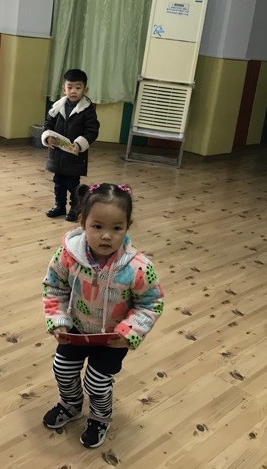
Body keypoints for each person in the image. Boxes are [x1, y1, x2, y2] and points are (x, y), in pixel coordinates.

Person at [41, 183, 164, 448]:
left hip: (112, 338)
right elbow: (54, 287)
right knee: (62, 369)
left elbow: (151, 303)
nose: (106, 236)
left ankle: (100, 417)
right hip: (75, 330)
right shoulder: (67, 255)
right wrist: (58, 319)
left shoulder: (139, 268)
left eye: (117, 228)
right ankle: (71, 404)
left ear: (128, 227)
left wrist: (130, 332)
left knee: (97, 383)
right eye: (97, 226)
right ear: (83, 222)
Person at [41, 69, 100, 222]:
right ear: (64, 89)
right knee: (58, 182)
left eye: (78, 87)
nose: (73, 91)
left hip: (75, 155)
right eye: (70, 87)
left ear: (85, 90)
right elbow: (48, 124)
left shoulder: (88, 110)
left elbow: (92, 131)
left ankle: (76, 208)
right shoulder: (57, 107)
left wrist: (80, 144)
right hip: (57, 154)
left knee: (73, 184)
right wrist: (48, 137)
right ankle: (59, 205)